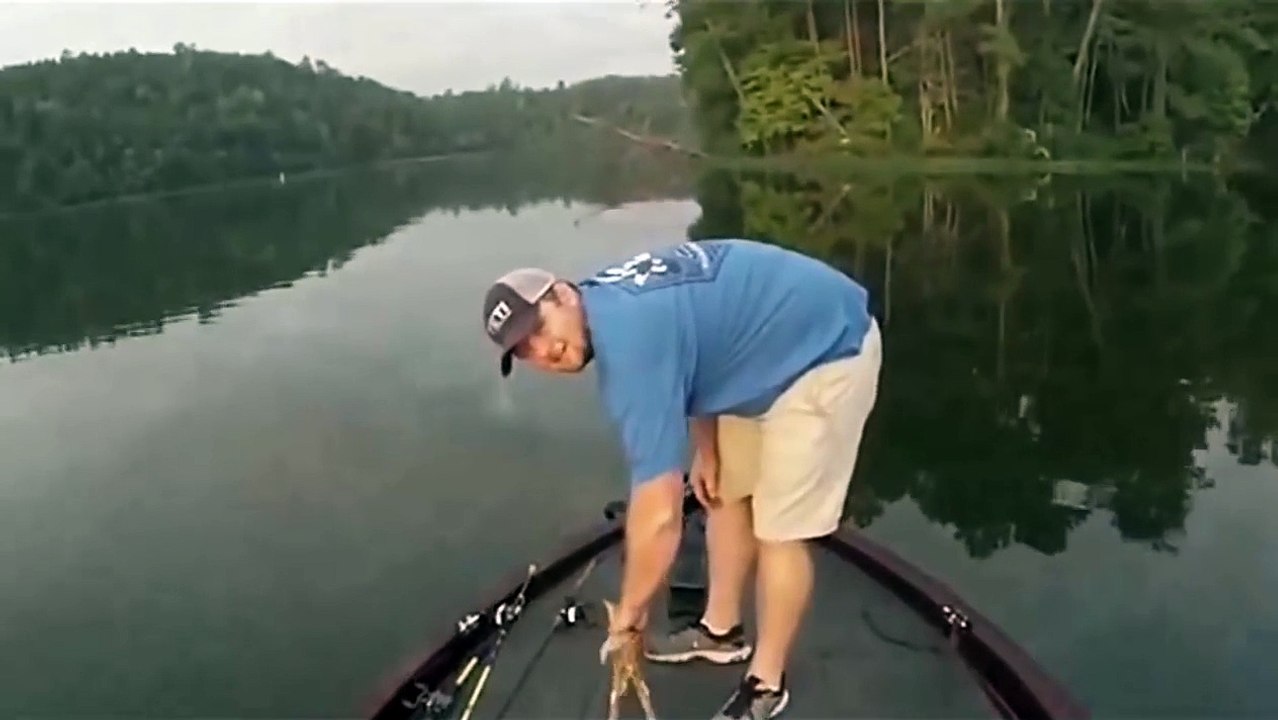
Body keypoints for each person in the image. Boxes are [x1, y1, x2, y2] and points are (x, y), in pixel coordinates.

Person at [480, 238, 882, 720]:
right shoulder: (607, 304)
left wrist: (629, 616)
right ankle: (720, 632)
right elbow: (692, 352)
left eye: (540, 328)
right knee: (723, 493)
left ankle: (766, 684)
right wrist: (707, 448)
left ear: (563, 295)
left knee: (780, 533)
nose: (546, 351)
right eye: (525, 350)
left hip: (826, 349)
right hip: (758, 351)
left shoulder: (628, 344)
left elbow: (661, 513)